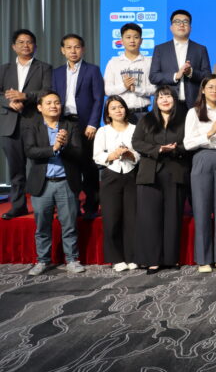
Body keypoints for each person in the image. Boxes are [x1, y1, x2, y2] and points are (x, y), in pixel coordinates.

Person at [24, 91, 85, 276]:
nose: (53, 106)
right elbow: (30, 151)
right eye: (49, 103)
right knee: (42, 226)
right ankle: (42, 260)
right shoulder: (32, 126)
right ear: (39, 107)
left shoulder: (70, 126)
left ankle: (72, 260)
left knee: (69, 225)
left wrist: (64, 146)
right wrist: (54, 148)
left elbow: (79, 154)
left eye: (57, 102)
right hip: (42, 185)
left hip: (66, 182)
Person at [132, 86, 189, 274]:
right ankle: (152, 260)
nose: (165, 100)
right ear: (155, 100)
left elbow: (189, 143)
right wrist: (157, 149)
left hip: (175, 171)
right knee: (150, 218)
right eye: (161, 97)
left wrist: (176, 149)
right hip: (150, 173)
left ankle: (171, 258)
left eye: (168, 96)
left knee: (173, 216)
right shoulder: (146, 119)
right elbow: (137, 142)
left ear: (175, 99)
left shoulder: (184, 119)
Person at [183, 74, 216, 273]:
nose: (214, 90)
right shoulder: (194, 112)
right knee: (202, 209)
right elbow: (188, 143)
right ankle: (204, 258)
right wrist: (210, 133)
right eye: (210, 87)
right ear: (203, 90)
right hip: (202, 158)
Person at [0, 29, 52, 220]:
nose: (25, 45)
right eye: (21, 42)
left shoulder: (44, 68)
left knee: (39, 166)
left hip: (35, 123)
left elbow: (47, 92)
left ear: (35, 46)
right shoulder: (4, 69)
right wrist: (9, 102)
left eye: (29, 42)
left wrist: (25, 96)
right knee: (16, 168)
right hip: (9, 124)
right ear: (14, 46)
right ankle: (18, 206)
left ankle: (44, 206)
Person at [52, 33, 105, 218]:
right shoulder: (57, 72)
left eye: (77, 47)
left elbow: (98, 99)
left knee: (89, 166)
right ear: (62, 50)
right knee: (69, 166)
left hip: (85, 124)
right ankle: (72, 206)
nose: (73, 51)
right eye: (68, 47)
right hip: (64, 123)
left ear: (83, 49)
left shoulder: (92, 70)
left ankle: (91, 206)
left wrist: (93, 124)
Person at [93, 95, 140, 272]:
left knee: (132, 218)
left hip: (131, 174)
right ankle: (116, 258)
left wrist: (131, 155)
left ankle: (132, 256)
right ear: (108, 113)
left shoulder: (135, 129)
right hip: (111, 175)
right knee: (111, 218)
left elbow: (140, 152)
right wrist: (111, 155)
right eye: (113, 108)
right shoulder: (103, 131)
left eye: (120, 107)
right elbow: (97, 155)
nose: (118, 110)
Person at [150, 9, 212, 113]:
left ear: (190, 28)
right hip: (168, 105)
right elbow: (153, 77)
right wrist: (175, 76)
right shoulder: (160, 49)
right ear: (171, 27)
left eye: (185, 22)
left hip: (194, 105)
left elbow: (207, 76)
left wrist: (191, 73)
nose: (181, 24)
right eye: (177, 22)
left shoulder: (200, 49)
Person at [103, 23, 156, 123]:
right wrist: (124, 86)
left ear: (141, 41)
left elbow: (156, 89)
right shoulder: (113, 62)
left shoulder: (149, 62)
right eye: (128, 37)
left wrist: (137, 89)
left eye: (136, 37)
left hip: (142, 113)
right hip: (119, 115)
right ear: (122, 41)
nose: (132, 40)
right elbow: (107, 90)